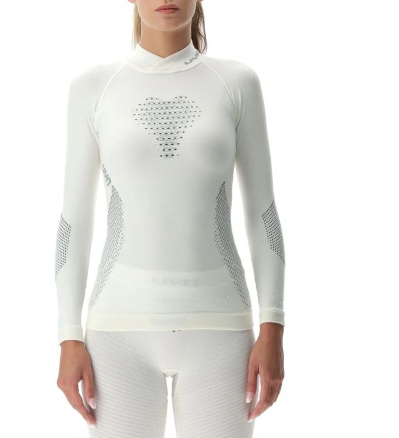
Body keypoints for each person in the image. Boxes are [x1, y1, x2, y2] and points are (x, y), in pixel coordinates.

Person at [54, 1, 286, 436]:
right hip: (117, 332)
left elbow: (264, 215)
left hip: (221, 331)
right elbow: (74, 222)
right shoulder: (93, 87)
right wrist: (69, 336)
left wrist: (273, 327)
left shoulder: (237, 82)